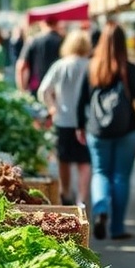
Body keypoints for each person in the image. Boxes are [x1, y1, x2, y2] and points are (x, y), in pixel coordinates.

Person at [76, 22, 135, 240]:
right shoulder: (129, 67)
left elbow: (81, 101)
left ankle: (100, 211)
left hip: (97, 130)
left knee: (100, 173)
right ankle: (117, 228)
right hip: (127, 130)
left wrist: (80, 126)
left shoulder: (92, 67)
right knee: (121, 177)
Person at [38, 30, 93, 206]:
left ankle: (66, 192)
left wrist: (52, 107)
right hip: (87, 120)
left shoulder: (60, 65)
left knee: (64, 159)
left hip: (63, 118)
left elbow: (44, 90)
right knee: (84, 161)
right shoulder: (91, 65)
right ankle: (82, 198)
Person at [17, 18, 63, 96]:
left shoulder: (33, 41)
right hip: (56, 89)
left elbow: (21, 66)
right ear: (57, 24)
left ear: (42, 23)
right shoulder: (62, 41)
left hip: (35, 85)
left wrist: (22, 89)